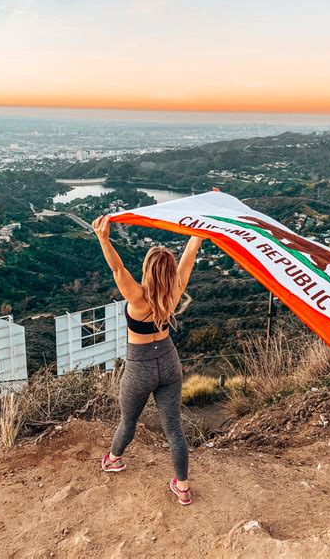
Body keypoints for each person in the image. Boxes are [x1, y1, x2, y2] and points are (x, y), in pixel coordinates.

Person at [92, 213, 202, 506]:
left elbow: (117, 269)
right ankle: (182, 487)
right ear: (168, 273)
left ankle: (113, 459)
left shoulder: (137, 298)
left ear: (148, 270)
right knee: (174, 428)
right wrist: (200, 231)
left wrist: (103, 238)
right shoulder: (174, 293)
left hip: (139, 366)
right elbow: (189, 257)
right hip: (168, 362)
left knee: (128, 420)